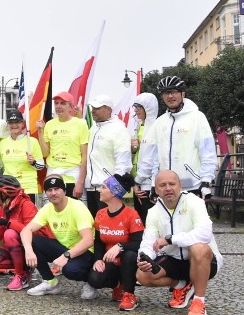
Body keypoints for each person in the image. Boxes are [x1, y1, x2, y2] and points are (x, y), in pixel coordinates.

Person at [137, 170, 223, 315]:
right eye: (162, 185)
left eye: (172, 184)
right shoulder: (153, 212)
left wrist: (171, 239)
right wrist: (144, 257)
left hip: (203, 260)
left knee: (198, 248)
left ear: (180, 186)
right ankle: (183, 284)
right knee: (142, 275)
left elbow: (205, 234)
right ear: (156, 190)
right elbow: (148, 242)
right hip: (175, 259)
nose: (168, 188)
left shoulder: (195, 202)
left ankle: (198, 302)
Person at [135, 76, 216, 199]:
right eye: (166, 93)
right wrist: (153, 184)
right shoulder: (160, 122)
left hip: (191, 186)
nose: (170, 96)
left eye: (174, 92)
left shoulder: (197, 117)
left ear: (182, 94)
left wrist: (206, 181)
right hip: (166, 188)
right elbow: (156, 158)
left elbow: (207, 151)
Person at [22, 175, 95, 297]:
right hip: (65, 248)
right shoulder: (47, 208)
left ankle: (91, 282)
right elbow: (26, 230)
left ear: (64, 191)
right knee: (33, 241)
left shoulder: (77, 207)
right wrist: (28, 251)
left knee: (70, 270)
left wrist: (66, 256)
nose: (53, 193)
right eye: (49, 190)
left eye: (57, 189)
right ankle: (50, 282)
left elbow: (88, 240)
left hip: (85, 251)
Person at [85, 173, 144, 310]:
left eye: (104, 187)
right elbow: (99, 241)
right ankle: (118, 286)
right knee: (95, 279)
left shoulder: (131, 214)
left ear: (113, 192)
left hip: (128, 260)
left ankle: (129, 294)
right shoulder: (101, 213)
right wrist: (98, 259)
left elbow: (139, 243)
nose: (99, 190)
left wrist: (120, 246)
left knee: (130, 255)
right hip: (111, 260)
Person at [0, 175, 44, 291]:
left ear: (4, 193)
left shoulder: (27, 205)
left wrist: (9, 223)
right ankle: (25, 270)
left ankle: (20, 275)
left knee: (10, 234)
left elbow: (34, 232)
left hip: (34, 248)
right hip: (18, 248)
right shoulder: (4, 207)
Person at [84, 95, 132, 217]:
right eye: (92, 108)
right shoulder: (94, 127)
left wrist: (112, 189)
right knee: (95, 228)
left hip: (108, 191)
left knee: (108, 229)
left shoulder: (119, 129)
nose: (93, 111)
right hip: (91, 188)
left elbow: (124, 163)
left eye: (97, 108)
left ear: (108, 110)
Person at [36, 91, 89, 199]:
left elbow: (85, 156)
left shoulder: (81, 124)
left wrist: (80, 182)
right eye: (56, 103)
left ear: (71, 107)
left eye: (63, 103)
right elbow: (45, 153)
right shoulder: (50, 124)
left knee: (74, 211)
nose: (58, 106)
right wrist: (40, 132)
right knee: (53, 211)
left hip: (73, 173)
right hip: (53, 172)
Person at [0, 110, 44, 202]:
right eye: (11, 122)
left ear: (22, 123)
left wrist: (33, 162)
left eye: (17, 122)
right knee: (11, 216)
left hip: (28, 188)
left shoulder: (32, 141)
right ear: (7, 125)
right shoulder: (2, 143)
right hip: (9, 188)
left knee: (29, 216)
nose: (14, 125)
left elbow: (41, 166)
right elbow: (1, 167)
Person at [129, 93, 158, 222]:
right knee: (141, 221)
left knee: (149, 223)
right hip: (139, 184)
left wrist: (137, 181)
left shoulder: (155, 128)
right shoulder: (139, 127)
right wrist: (133, 149)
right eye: (134, 107)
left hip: (147, 184)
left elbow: (149, 160)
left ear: (148, 108)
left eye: (138, 107)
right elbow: (138, 155)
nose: (135, 110)